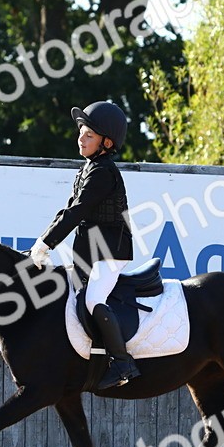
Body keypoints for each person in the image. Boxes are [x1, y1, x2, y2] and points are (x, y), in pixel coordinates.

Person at [30, 101, 139, 389]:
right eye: (81, 131)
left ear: (107, 142)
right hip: (90, 251)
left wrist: (48, 244)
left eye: (89, 135)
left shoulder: (104, 172)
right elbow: (66, 211)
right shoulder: (87, 169)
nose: (81, 138)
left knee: (94, 300)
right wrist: (40, 243)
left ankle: (123, 364)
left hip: (110, 253)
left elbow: (78, 211)